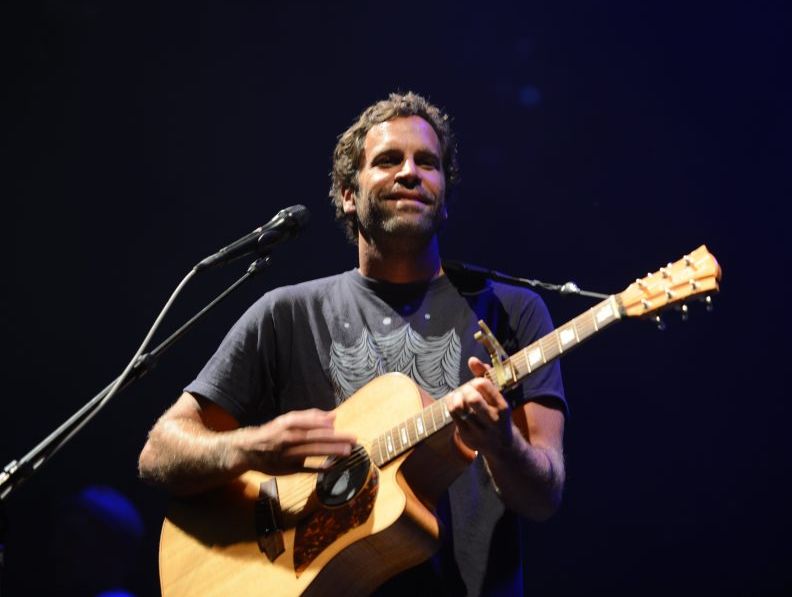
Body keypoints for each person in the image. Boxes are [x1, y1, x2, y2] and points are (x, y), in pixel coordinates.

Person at [138, 91, 567, 595]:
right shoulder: (287, 313)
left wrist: (503, 442)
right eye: (388, 160)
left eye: (427, 163)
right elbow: (159, 452)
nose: (410, 173)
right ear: (347, 193)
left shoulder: (512, 312)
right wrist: (252, 448)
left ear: (445, 196)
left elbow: (543, 498)